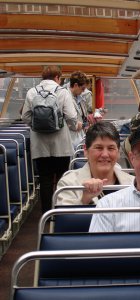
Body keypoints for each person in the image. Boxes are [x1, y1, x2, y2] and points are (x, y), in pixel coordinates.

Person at [21, 65, 82, 214]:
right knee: (62, 179)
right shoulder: (62, 92)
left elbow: (25, 117)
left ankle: (47, 214)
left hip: (40, 145)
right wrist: (71, 125)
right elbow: (72, 117)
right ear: (57, 78)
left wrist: (37, 126)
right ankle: (61, 211)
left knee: (45, 180)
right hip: (61, 144)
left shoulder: (31, 92)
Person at [56, 121, 134, 206]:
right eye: (98, 148)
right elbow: (64, 218)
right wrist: (84, 200)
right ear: (85, 151)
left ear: (118, 152)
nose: (105, 154)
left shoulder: (133, 183)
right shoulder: (68, 184)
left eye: (111, 148)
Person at [66, 71, 88, 148]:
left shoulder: (80, 98)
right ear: (75, 85)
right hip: (70, 138)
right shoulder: (65, 96)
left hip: (79, 137)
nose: (83, 91)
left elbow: (83, 115)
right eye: (82, 88)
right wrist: (76, 125)